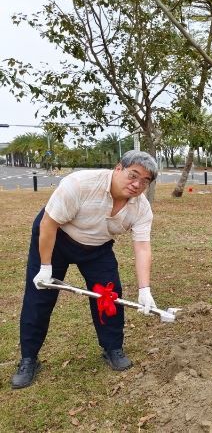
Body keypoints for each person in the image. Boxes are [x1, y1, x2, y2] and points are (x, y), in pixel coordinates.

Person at [11, 150, 160, 390]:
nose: (137, 184)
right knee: (39, 297)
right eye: (133, 175)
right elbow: (48, 224)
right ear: (118, 168)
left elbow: (142, 247)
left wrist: (145, 289)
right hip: (56, 238)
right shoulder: (79, 184)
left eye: (145, 181)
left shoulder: (141, 208)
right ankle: (29, 358)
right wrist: (46, 266)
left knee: (110, 296)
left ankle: (113, 348)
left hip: (97, 248)